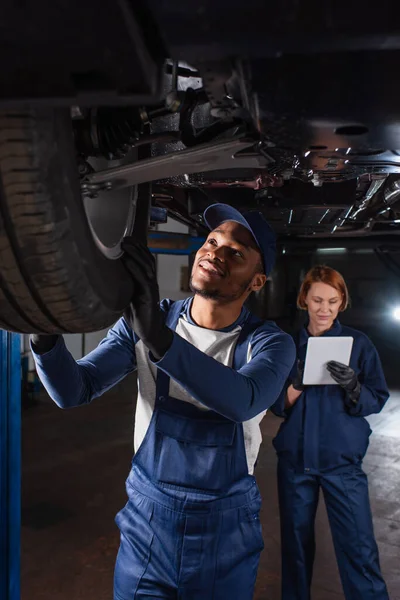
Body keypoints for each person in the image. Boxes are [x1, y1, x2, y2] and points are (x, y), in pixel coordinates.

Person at [30, 203, 296, 600]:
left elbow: (245, 399)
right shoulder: (149, 321)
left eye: (235, 252)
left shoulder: (270, 344)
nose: (215, 253)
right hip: (147, 527)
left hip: (223, 534)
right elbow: (74, 389)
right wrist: (42, 334)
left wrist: (159, 339)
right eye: (211, 241)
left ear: (257, 281)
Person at [271, 265, 389, 600]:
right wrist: (297, 384)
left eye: (333, 301)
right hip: (295, 464)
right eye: (317, 299)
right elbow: (276, 405)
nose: (324, 309)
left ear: (342, 303)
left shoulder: (359, 345)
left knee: (358, 546)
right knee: (294, 549)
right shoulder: (286, 345)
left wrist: (353, 386)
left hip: (342, 463)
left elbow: (376, 398)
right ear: (303, 299)